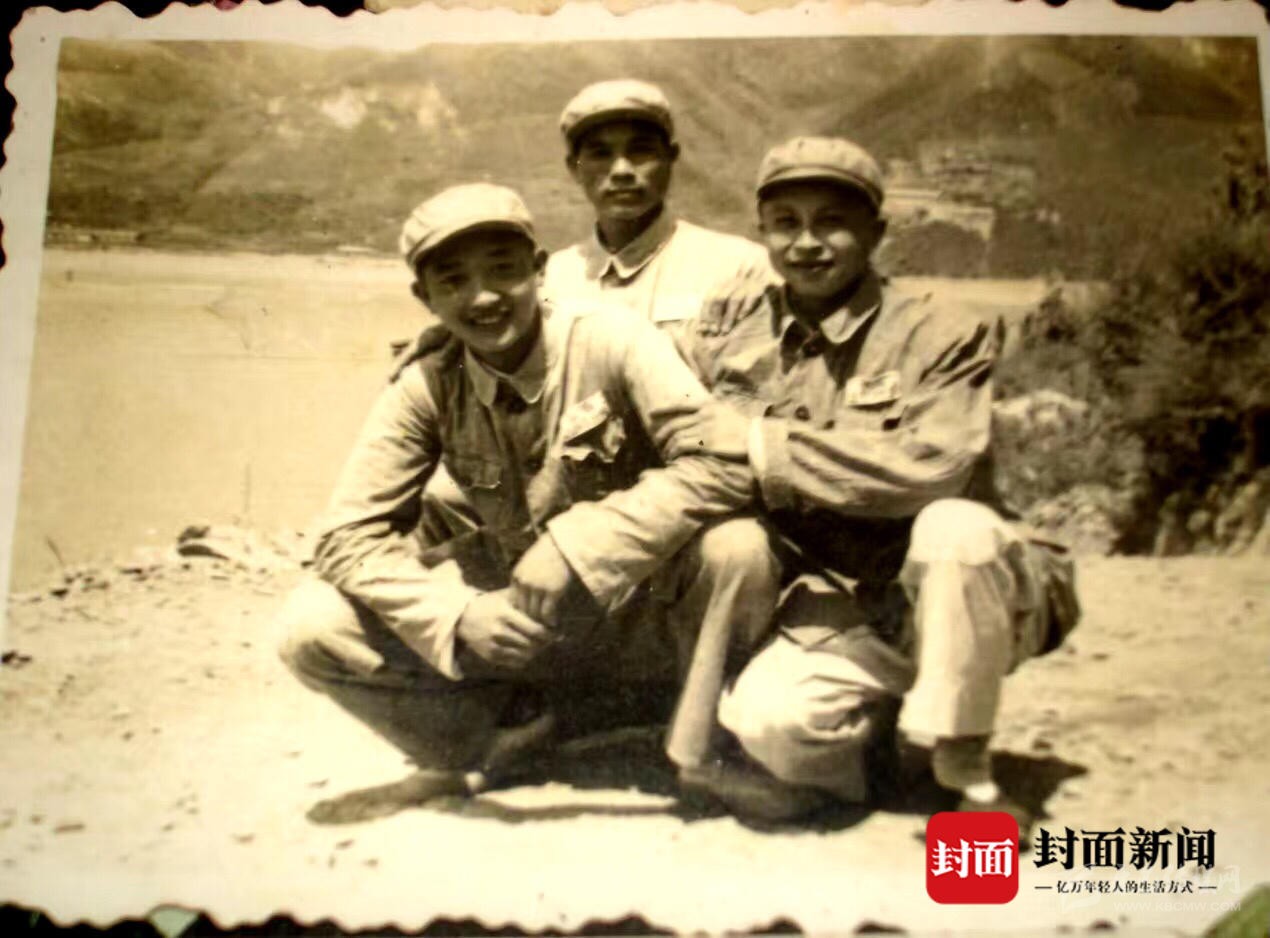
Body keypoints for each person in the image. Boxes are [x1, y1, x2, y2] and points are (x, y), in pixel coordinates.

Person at [275, 183, 778, 823]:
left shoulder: (612, 340)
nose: (483, 297)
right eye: (453, 281)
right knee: (311, 625)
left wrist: (579, 543)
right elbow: (347, 535)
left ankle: (698, 753)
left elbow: (724, 460)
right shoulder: (426, 382)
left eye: (503, 270)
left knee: (739, 550)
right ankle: (504, 741)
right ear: (425, 298)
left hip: (642, 605)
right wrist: (457, 614)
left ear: (539, 270)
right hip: (528, 624)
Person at [660, 136, 1081, 826]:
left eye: (832, 221)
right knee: (770, 725)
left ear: (876, 232)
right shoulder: (734, 332)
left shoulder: (941, 332)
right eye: (785, 223)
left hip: (967, 593)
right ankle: (884, 753)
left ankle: (965, 767)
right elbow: (661, 402)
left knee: (954, 527)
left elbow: (936, 467)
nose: (807, 242)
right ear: (762, 233)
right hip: (851, 606)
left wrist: (762, 443)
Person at [542, 79, 771, 330]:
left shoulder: (739, 267)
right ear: (574, 168)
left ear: (670, 157)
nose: (621, 171)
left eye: (640, 151)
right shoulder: (552, 281)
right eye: (601, 154)